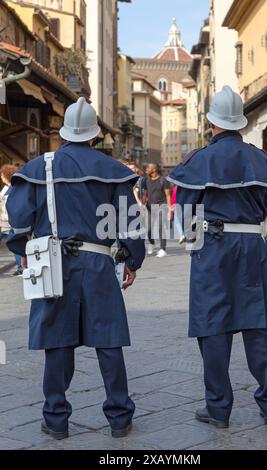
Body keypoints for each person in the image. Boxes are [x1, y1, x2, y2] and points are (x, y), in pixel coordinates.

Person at [6, 97, 145, 440]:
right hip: (98, 262)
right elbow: (129, 222)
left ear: (64, 132)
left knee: (57, 341)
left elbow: (20, 217)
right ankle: (118, 416)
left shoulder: (39, 168)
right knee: (108, 339)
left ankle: (55, 419)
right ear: (95, 136)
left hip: (54, 262)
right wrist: (131, 258)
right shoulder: (112, 170)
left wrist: (23, 249)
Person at [168, 85, 267, 428]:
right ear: (240, 122)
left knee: (213, 326)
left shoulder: (199, 160)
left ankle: (219, 408)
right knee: (260, 326)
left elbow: (185, 209)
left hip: (214, 247)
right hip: (253, 247)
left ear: (211, 123)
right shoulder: (261, 159)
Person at [142, 163, 172, 258]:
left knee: (160, 228)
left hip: (161, 206)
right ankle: (152, 243)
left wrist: (169, 210)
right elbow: (145, 195)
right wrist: (142, 206)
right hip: (149, 207)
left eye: (148, 167)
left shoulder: (163, 180)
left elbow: (168, 195)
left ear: (154, 169)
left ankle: (163, 249)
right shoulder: (145, 180)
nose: (146, 169)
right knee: (149, 228)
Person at [0, 165, 23, 276]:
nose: (1, 177)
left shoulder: (14, 188)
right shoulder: (6, 188)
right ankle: (21, 268)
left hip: (9, 222)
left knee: (15, 245)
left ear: (6, 175)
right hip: (3, 222)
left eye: (2, 175)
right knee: (15, 244)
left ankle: (21, 268)